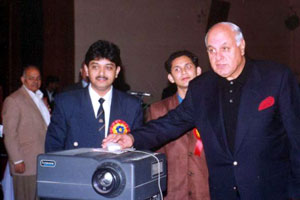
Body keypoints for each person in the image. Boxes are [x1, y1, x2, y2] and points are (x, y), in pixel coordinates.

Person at [103, 22, 300, 200]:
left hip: (271, 191)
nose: (218, 57)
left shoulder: (276, 77)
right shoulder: (201, 88)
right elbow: (171, 122)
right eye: (211, 50)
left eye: (225, 48)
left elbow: (297, 138)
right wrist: (131, 138)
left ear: (241, 46)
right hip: (223, 192)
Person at [45, 40, 143, 152]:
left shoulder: (132, 106)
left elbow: (139, 151)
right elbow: (53, 149)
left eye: (108, 67)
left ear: (117, 71)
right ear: (86, 70)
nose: (102, 73)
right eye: (95, 67)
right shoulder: (66, 103)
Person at [146, 50, 210, 200]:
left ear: (198, 71)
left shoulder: (214, 107)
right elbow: (154, 159)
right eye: (177, 69)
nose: (183, 72)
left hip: (206, 192)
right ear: (171, 78)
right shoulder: (157, 110)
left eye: (188, 66)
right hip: (172, 193)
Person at [2, 65, 50, 200]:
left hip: (42, 161)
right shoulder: (14, 100)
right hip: (26, 163)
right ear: (23, 80)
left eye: (38, 78)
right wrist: (17, 160)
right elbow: (10, 134)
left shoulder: (40, 98)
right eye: (31, 78)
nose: (35, 81)